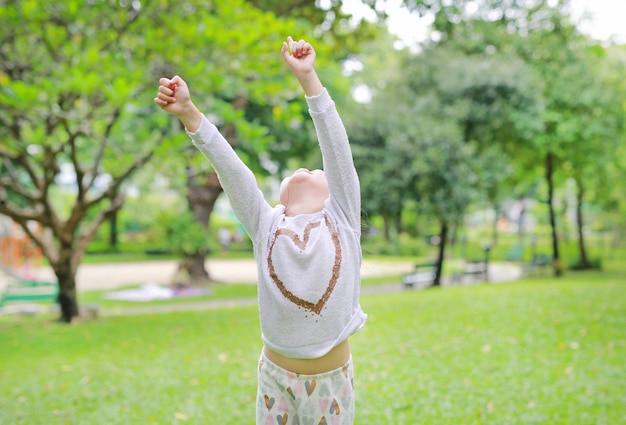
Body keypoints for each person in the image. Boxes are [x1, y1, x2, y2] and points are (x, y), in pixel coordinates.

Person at [154, 36, 367, 424]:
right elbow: (232, 171)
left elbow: (335, 146)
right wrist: (189, 113)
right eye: (295, 173)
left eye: (316, 170)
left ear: (333, 188)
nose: (307, 169)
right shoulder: (267, 225)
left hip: (330, 383)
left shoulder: (342, 217)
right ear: (281, 198)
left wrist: (308, 79)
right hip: (275, 379)